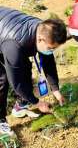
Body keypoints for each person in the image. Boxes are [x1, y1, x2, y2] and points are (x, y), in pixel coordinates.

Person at [0, 7, 67, 136]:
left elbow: (48, 61)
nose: (51, 51)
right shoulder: (14, 47)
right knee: (3, 79)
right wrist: (38, 102)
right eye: (50, 48)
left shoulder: (44, 29)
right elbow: (16, 83)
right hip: (7, 38)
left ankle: (21, 105)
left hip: (8, 30)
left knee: (24, 66)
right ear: (40, 39)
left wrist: (55, 90)